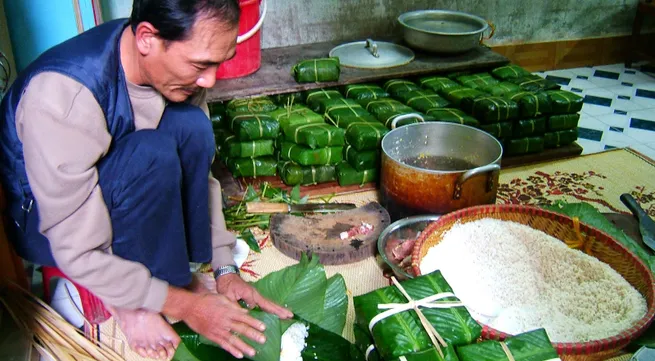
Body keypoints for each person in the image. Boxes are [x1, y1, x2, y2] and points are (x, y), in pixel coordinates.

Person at [0, 0, 293, 359]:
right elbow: (75, 248)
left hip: (119, 178)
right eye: (201, 65)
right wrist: (184, 307)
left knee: (192, 127)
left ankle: (171, 280)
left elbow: (202, 177)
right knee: (150, 153)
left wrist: (224, 268)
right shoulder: (64, 95)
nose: (211, 79)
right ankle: (133, 306)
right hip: (48, 224)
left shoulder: (174, 67)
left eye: (219, 62)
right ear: (146, 39)